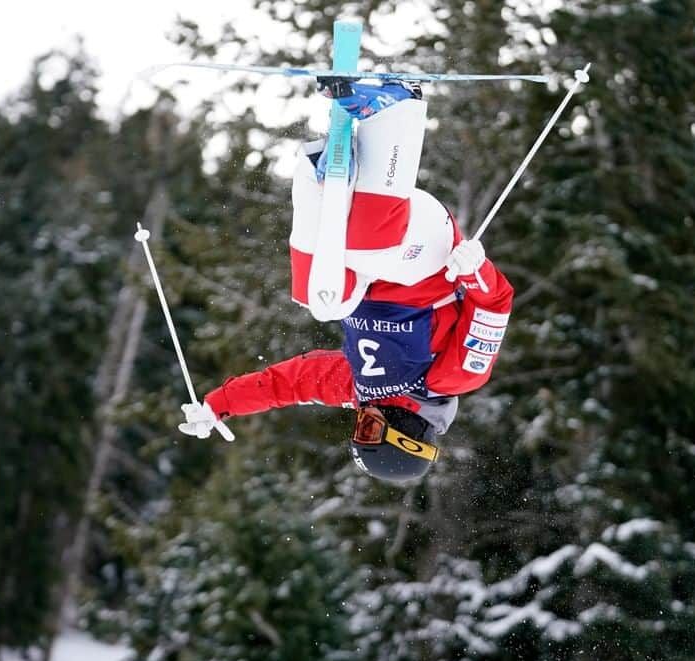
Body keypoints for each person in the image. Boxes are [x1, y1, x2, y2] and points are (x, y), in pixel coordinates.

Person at [179, 80, 514, 482]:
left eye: (359, 430)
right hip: (427, 248)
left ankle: (320, 173)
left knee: (317, 297)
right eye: (370, 430)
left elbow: (288, 385)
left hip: (368, 259)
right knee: (367, 248)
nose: (362, 420)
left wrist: (218, 404)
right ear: (407, 435)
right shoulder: (452, 378)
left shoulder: (358, 387)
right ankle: (398, 111)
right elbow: (495, 305)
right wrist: (476, 271)